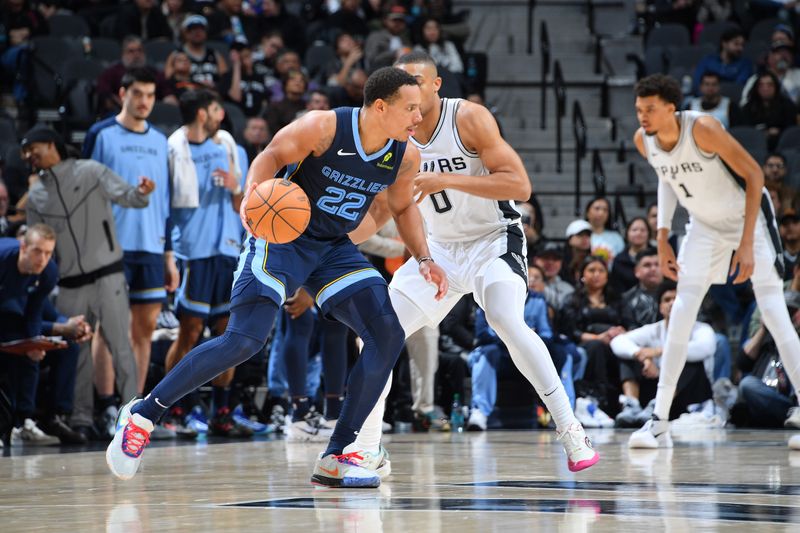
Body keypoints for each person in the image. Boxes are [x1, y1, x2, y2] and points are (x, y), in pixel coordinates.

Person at [106, 66, 448, 488]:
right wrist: (253, 194)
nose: (419, 116)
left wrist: (425, 257)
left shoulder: (405, 154)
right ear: (381, 106)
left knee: (387, 334)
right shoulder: (324, 127)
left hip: (333, 246)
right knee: (245, 340)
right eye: (411, 108)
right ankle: (143, 414)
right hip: (282, 235)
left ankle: (338, 454)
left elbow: (401, 208)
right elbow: (269, 156)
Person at [351, 51, 598, 473]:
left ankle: (570, 428)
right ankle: (369, 448)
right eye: (401, 81)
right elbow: (379, 209)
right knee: (375, 333)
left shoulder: (468, 118)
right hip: (438, 250)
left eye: (416, 79)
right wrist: (324, 243)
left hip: (493, 240)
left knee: (504, 318)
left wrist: (444, 177)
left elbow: (519, 184)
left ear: (435, 85)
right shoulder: (393, 133)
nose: (408, 88)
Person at [629, 73, 800, 450]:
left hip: (748, 218)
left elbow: (755, 175)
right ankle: (659, 419)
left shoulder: (702, 128)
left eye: (650, 109)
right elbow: (666, 179)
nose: (642, 116)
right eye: (639, 109)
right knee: (682, 312)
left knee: (773, 310)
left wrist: (746, 243)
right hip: (703, 224)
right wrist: (661, 237)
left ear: (671, 108)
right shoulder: (644, 140)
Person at [23, 127, 154, 441]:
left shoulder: (91, 171)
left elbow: (130, 197)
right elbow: (35, 242)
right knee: (76, 354)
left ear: (51, 144)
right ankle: (81, 418)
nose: (28, 155)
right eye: (25, 152)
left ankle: (135, 417)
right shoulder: (36, 194)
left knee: (120, 347)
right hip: (69, 283)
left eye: (33, 148)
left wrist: (143, 192)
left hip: (108, 274)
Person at [82, 68, 178, 438]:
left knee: (145, 331)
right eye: (138, 93)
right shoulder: (101, 134)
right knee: (109, 330)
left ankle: (134, 410)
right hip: (109, 246)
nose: (144, 101)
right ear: (122, 93)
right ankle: (106, 407)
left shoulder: (160, 141)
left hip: (152, 247)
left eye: (151, 95)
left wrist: (169, 255)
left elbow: (166, 202)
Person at [164, 89, 249, 438]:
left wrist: (236, 187)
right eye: (216, 109)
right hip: (193, 252)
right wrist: (168, 253)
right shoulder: (173, 150)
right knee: (190, 332)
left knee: (228, 334)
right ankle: (174, 408)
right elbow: (167, 205)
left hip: (228, 251)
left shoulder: (231, 149)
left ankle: (222, 411)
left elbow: (245, 205)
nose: (221, 115)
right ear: (203, 113)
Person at [0, 224, 91, 445]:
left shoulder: (48, 271)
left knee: (34, 350)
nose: (43, 258)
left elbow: (33, 314)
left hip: (13, 316)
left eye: (48, 252)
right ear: (23, 246)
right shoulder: (3, 259)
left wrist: (34, 343)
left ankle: (26, 421)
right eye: (37, 251)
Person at [611, 280, 715, 427]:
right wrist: (642, 357)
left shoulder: (702, 329)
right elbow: (618, 341)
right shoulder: (653, 329)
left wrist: (658, 351)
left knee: (688, 360)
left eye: (677, 299)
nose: (672, 303)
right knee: (629, 355)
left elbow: (705, 348)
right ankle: (632, 406)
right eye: (667, 300)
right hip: (654, 390)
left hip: (686, 396)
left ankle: (658, 407)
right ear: (660, 307)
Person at [610, 217, 652, 294]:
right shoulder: (619, 260)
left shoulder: (658, 255)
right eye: (634, 230)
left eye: (643, 230)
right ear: (627, 234)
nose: (638, 233)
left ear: (649, 233)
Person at [585, 197, 625, 264]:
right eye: (597, 209)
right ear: (587, 212)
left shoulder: (616, 237)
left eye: (605, 210)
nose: (601, 213)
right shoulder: (581, 236)